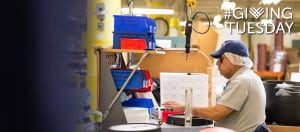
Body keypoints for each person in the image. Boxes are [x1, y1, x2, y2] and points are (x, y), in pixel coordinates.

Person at [163, 40, 269, 132]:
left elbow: (216, 114)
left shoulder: (242, 81)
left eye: (221, 59)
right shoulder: (249, 76)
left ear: (235, 60)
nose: (217, 63)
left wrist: (184, 107)